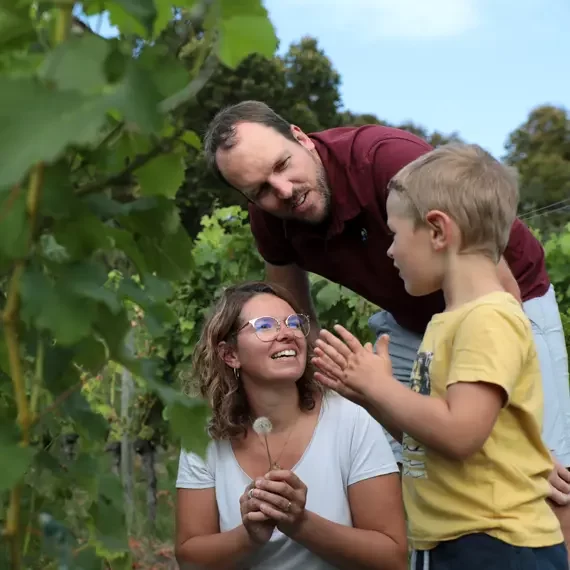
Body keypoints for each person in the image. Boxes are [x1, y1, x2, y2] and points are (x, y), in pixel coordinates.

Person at [203, 100, 570, 537]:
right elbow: (294, 313)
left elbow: (496, 287)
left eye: (283, 164)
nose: (282, 190)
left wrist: (521, 440)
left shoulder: (387, 162)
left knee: (548, 477)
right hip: (412, 321)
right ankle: (435, 549)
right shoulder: (271, 217)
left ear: (301, 137)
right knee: (414, 455)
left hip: (509, 296)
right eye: (260, 189)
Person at [311, 143, 568, 569]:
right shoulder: (449, 321)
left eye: (394, 234)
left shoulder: (488, 319)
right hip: (458, 541)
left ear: (437, 231)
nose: (389, 251)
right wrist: (372, 397)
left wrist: (381, 386)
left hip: (494, 544)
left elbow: (461, 434)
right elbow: (429, 432)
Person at [174, 281, 408, 570]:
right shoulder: (206, 436)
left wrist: (301, 524)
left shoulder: (351, 420)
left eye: (293, 323)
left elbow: (392, 558)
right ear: (230, 354)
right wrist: (248, 537)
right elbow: (189, 558)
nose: (286, 333)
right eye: (265, 326)